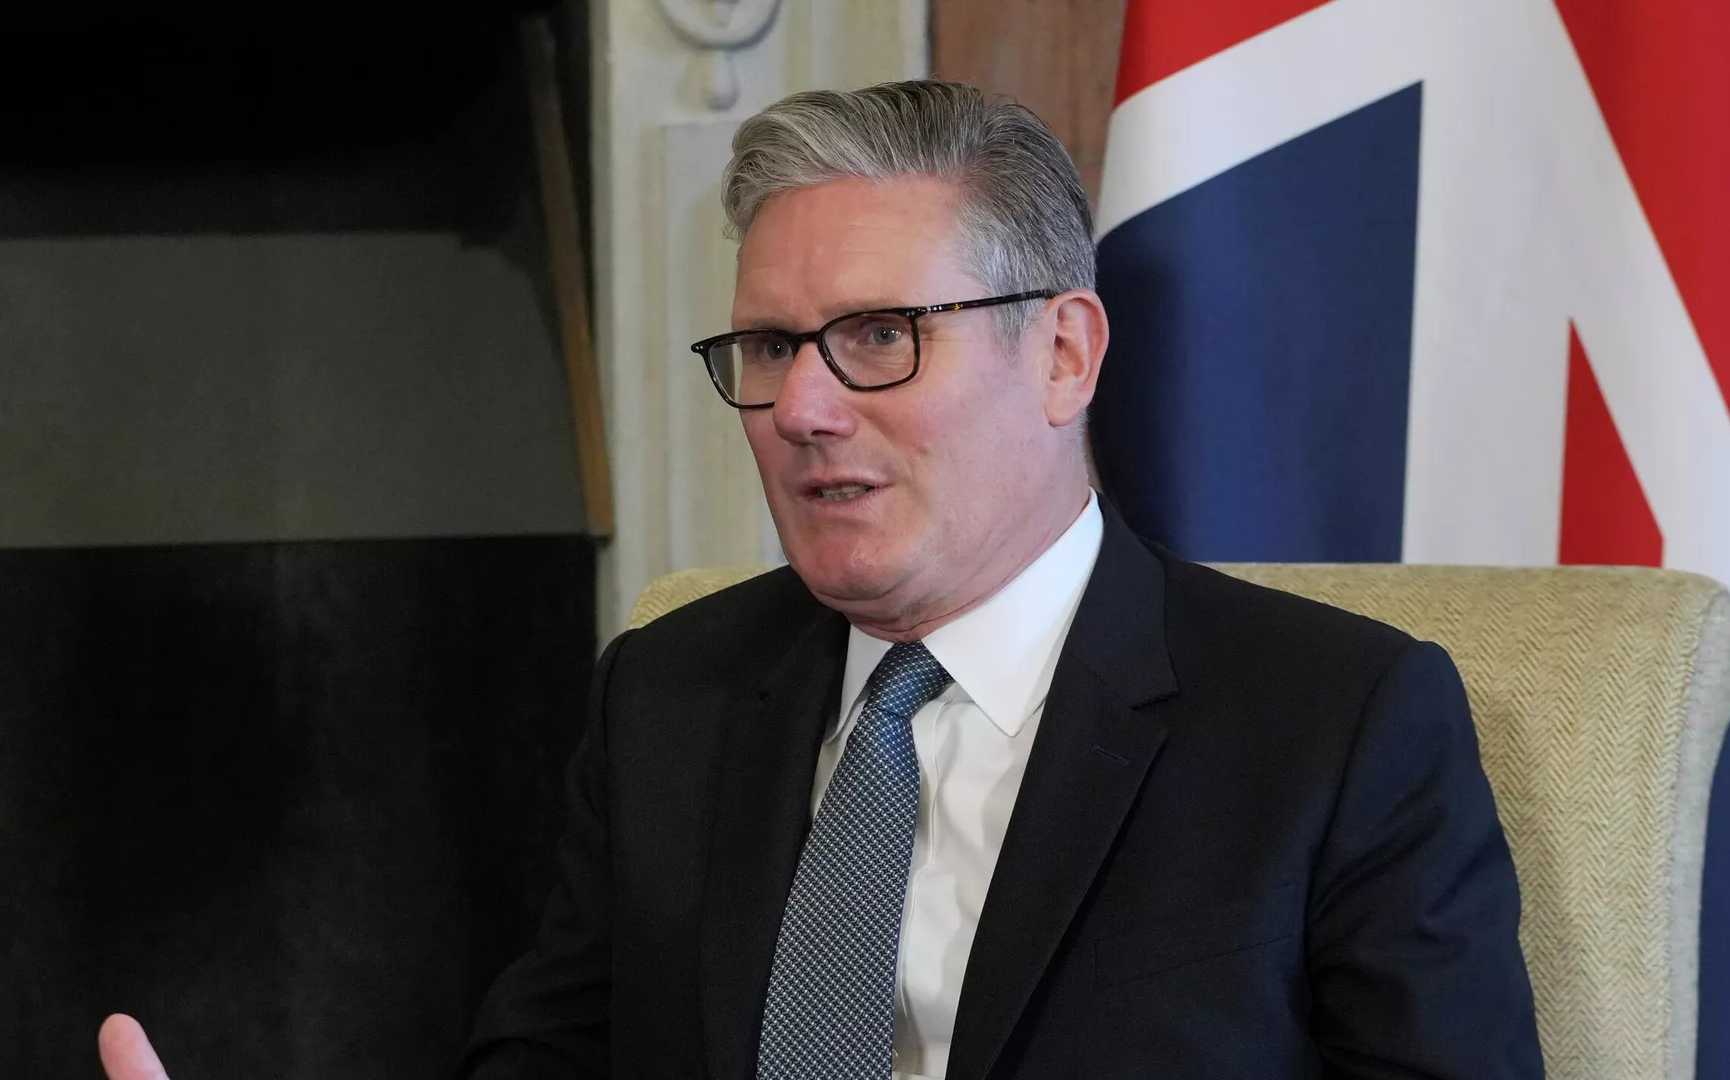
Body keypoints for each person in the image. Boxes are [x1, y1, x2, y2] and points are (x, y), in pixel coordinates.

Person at [99, 80, 1543, 1080]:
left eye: (877, 338)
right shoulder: (669, 694)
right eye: (771, 347)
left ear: (1063, 355)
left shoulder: (1335, 725)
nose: (801, 408)